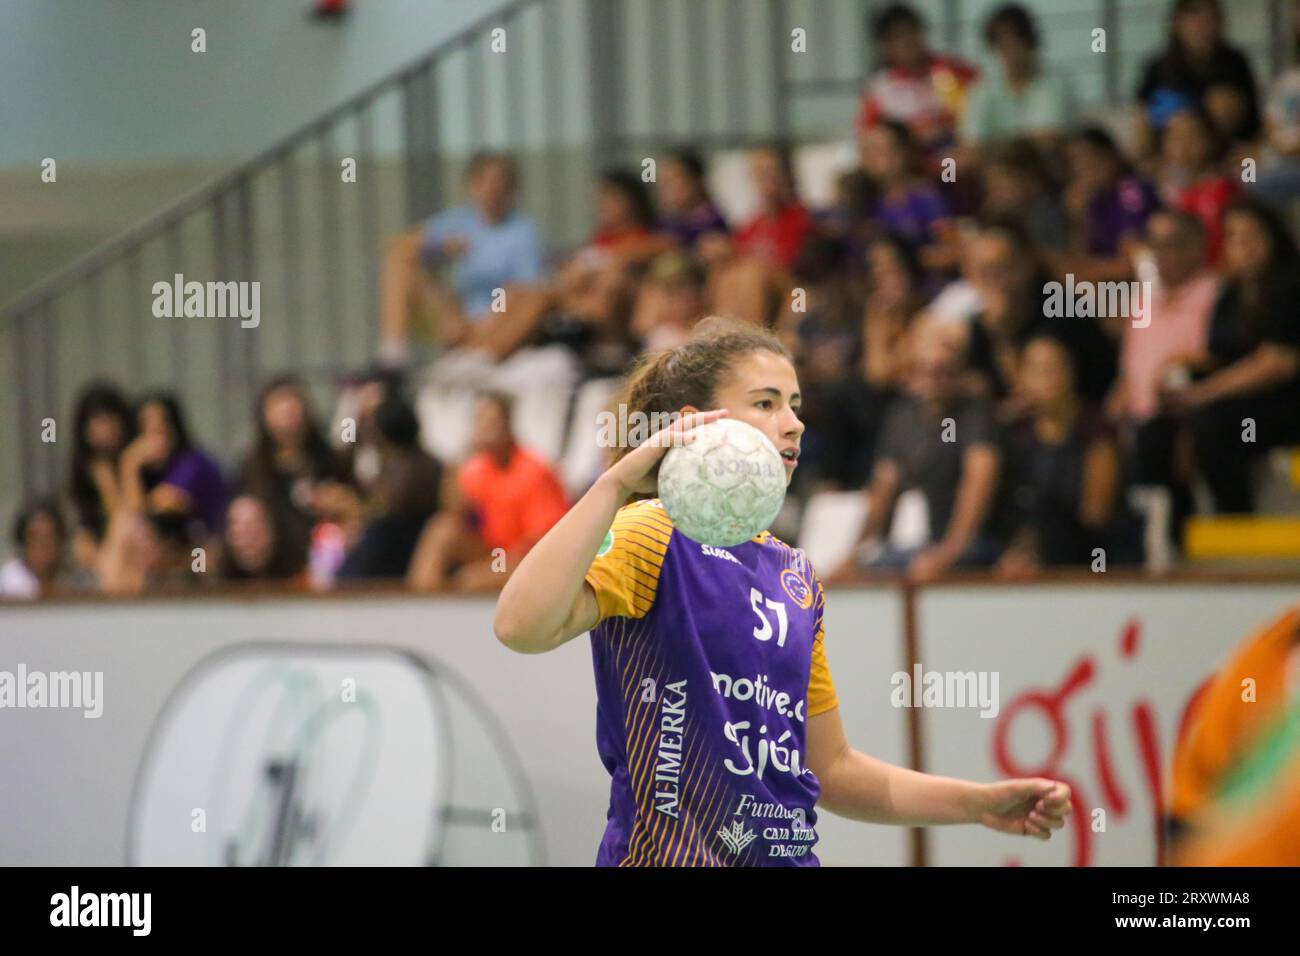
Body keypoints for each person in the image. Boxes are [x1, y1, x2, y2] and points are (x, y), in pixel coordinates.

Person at [493, 316, 1071, 866]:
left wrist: (978, 804)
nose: (793, 422)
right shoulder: (651, 532)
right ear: (698, 425)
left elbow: (832, 768)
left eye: (794, 405)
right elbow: (520, 627)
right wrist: (617, 481)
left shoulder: (794, 574)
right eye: (766, 403)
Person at [839, 322, 1011, 583]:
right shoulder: (903, 417)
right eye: (924, 371)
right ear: (911, 376)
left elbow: (977, 483)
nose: (932, 380)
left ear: (961, 374)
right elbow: (885, 487)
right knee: (872, 568)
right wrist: (854, 555)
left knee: (916, 569)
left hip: (987, 544)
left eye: (943, 371)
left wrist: (950, 551)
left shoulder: (977, 414)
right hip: (933, 542)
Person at [1165, 200, 1300, 512]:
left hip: (1284, 404)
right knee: (1159, 428)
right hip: (1242, 398)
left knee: (1217, 422)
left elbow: (1276, 363)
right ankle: (1170, 525)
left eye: (1251, 236)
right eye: (1233, 237)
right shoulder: (1230, 295)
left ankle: (1235, 514)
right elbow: (1220, 357)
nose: (1243, 246)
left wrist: (1203, 394)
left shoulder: (1289, 288)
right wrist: (1178, 369)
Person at [1106, 211, 1217, 546]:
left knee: (1156, 439)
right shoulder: (1144, 300)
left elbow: (1216, 361)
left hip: (1186, 413)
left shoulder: (1216, 295)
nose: (1164, 255)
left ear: (1198, 246)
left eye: (1174, 245)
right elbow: (1129, 373)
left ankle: (1173, 546)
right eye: (1156, 246)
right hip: (1139, 418)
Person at [378, 151, 544, 363]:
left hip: (496, 324)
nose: (490, 189)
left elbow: (525, 291)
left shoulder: (521, 230)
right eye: (483, 181)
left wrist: (489, 318)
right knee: (400, 262)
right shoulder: (462, 221)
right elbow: (396, 246)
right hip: (458, 321)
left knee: (518, 296)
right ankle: (393, 354)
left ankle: (479, 354)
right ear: (472, 185)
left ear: (510, 189)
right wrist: (439, 246)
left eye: (497, 182)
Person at [997, 334, 1136, 575]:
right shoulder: (1014, 434)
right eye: (1037, 369)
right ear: (1022, 378)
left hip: (1090, 551)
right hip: (1026, 546)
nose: (1047, 378)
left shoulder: (1096, 429)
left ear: (1071, 372)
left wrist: (1038, 545)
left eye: (1053, 368)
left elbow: (1096, 513)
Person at [407, 391, 567, 593]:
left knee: (470, 580)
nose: (484, 428)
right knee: (440, 530)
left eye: (491, 421)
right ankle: (421, 601)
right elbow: (452, 511)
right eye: (479, 421)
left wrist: (493, 567)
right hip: (492, 552)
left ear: (508, 424)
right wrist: (463, 454)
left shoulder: (535, 470)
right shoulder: (478, 466)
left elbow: (545, 539)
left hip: (526, 559)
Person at [1134, 0, 1260, 159]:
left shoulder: (1234, 63)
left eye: (1211, 19)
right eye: (1196, 19)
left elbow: (1253, 127)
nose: (1204, 28)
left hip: (1224, 155)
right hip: (1169, 158)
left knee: (1222, 101)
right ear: (1177, 23)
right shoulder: (1157, 67)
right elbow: (1142, 131)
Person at [336, 395, 443, 581]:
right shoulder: (417, 461)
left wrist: (354, 510)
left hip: (401, 551)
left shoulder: (407, 468)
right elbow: (340, 466)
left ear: (382, 434)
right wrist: (353, 422)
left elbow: (387, 510)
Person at [856, 3, 978, 159]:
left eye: (910, 32)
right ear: (885, 45)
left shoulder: (955, 72)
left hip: (951, 158)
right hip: (909, 166)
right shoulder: (880, 89)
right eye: (896, 37)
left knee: (951, 171)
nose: (906, 42)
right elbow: (867, 136)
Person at [960, 4, 1074, 145]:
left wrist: (999, 144)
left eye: (1016, 41)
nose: (1011, 50)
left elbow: (1051, 137)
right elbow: (971, 141)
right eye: (1002, 43)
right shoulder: (983, 89)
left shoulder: (1056, 83)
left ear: (1030, 41)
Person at [119, 392, 228, 537]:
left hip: (206, 549)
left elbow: (140, 521)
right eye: (147, 432)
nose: (153, 442)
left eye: (160, 431)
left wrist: (129, 464)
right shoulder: (149, 472)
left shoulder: (193, 464)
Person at [1156, 104, 1241, 263]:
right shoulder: (1166, 190)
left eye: (1192, 135)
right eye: (1174, 137)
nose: (1183, 145)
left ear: (1211, 139)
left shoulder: (1225, 187)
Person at [67, 381, 135, 576]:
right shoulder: (86, 469)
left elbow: (127, 516)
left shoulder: (136, 464)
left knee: (123, 526)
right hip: (103, 553)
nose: (105, 429)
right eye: (97, 421)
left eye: (110, 420)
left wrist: (112, 479)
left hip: (138, 545)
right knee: (82, 544)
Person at [219, 494, 310, 584]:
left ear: (272, 531)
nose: (247, 540)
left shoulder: (302, 579)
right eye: (238, 530)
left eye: (254, 528)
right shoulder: (213, 578)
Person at [0, 500, 70, 600]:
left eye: (50, 537)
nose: (43, 545)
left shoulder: (67, 577)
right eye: (35, 538)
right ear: (22, 542)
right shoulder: (8, 579)